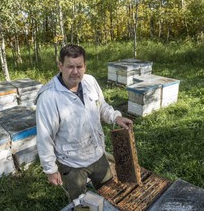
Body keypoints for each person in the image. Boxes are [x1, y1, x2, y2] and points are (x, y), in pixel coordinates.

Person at [35, 44, 133, 201]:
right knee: (82, 203)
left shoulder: (90, 82)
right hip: (72, 164)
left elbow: (102, 106)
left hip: (97, 153)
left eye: (79, 66)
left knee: (109, 193)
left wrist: (116, 117)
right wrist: (50, 170)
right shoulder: (49, 97)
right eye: (70, 67)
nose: (75, 71)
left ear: (85, 66)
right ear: (60, 66)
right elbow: (44, 137)